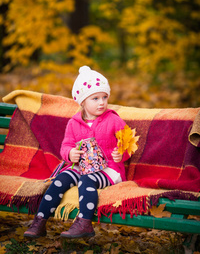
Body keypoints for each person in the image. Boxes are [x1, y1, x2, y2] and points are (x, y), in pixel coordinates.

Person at [24, 65, 130, 239]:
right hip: (82, 166)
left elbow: (128, 142)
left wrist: (122, 153)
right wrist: (70, 154)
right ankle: (40, 221)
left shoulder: (113, 120)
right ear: (82, 102)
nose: (102, 102)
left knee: (87, 180)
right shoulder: (74, 123)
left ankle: (84, 223)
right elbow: (66, 146)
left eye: (104, 97)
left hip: (109, 169)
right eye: (95, 98)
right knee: (60, 180)